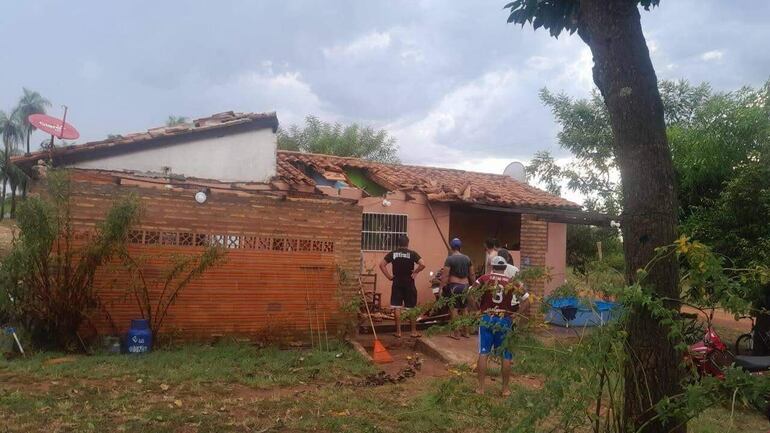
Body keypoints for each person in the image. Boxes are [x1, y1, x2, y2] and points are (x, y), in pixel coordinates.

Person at [473, 256, 530, 396]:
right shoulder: (512, 282)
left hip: (487, 318)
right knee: (506, 355)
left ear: (492, 266)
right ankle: (505, 389)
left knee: (483, 352)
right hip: (505, 319)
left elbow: (469, 293)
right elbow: (527, 300)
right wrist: (516, 315)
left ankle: (480, 388)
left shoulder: (484, 279)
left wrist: (476, 309)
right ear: (505, 268)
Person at [379, 234, 426, 338]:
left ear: (398, 243)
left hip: (397, 281)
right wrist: (415, 272)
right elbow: (423, 264)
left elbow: (381, 264)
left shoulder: (393, 253)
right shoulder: (412, 254)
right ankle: (413, 332)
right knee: (411, 307)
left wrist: (389, 277)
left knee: (397, 307)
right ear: (407, 243)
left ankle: (398, 332)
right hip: (409, 281)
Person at [441, 237, 474, 339]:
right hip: (465, 286)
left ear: (451, 247)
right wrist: (474, 286)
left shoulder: (450, 259)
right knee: (465, 309)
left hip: (454, 286)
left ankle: (456, 334)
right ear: (460, 247)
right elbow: (472, 274)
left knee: (454, 309)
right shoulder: (467, 258)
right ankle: (466, 332)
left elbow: (445, 276)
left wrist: (441, 288)